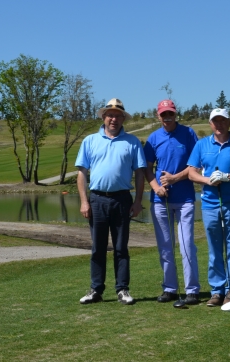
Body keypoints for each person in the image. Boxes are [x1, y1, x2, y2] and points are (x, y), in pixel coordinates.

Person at [76, 98, 146, 306]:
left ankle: (122, 289)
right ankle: (96, 289)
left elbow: (140, 174)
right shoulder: (90, 141)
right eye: (110, 115)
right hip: (97, 199)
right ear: (104, 117)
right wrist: (83, 201)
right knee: (97, 247)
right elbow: (81, 173)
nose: (113, 119)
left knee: (121, 248)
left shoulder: (132, 142)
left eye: (117, 116)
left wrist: (138, 201)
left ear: (123, 118)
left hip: (123, 199)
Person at [188, 107, 230, 309]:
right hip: (209, 203)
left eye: (223, 120)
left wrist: (228, 177)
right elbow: (192, 172)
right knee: (214, 248)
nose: (219, 124)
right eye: (215, 121)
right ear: (210, 124)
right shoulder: (202, 145)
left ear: (229, 122)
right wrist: (207, 180)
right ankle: (217, 291)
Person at [143, 99, 201, 305]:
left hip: (185, 199)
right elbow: (147, 168)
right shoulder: (153, 138)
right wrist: (156, 187)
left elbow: (197, 165)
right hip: (160, 200)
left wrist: (176, 178)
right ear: (158, 116)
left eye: (171, 114)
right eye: (163, 114)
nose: (167, 118)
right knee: (165, 247)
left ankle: (192, 290)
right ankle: (170, 289)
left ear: (175, 114)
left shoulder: (188, 134)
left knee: (186, 245)